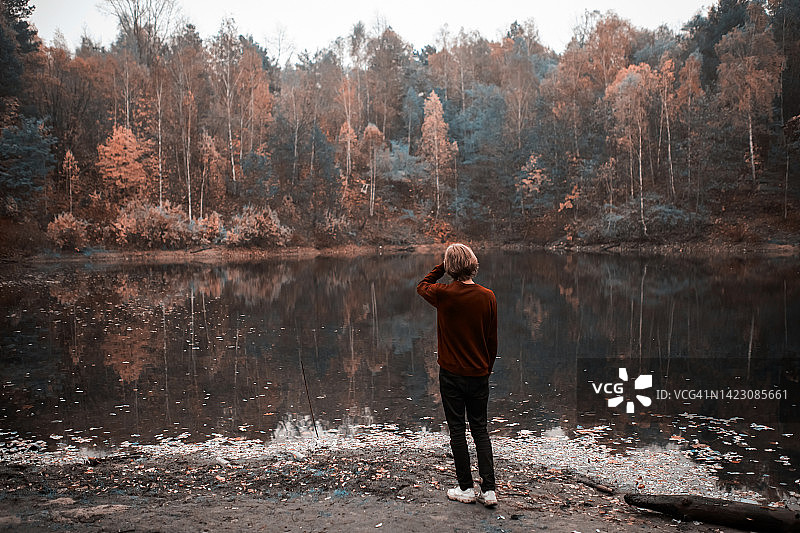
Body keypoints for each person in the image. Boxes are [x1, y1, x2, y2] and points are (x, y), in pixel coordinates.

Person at [416, 243, 498, 507]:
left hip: (451, 376)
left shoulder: (444, 294)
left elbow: (422, 285)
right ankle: (489, 491)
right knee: (480, 429)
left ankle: (466, 488)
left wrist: (443, 266)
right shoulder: (488, 296)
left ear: (450, 268)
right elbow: (492, 340)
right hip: (479, 374)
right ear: (473, 263)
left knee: (457, 431)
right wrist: (487, 369)